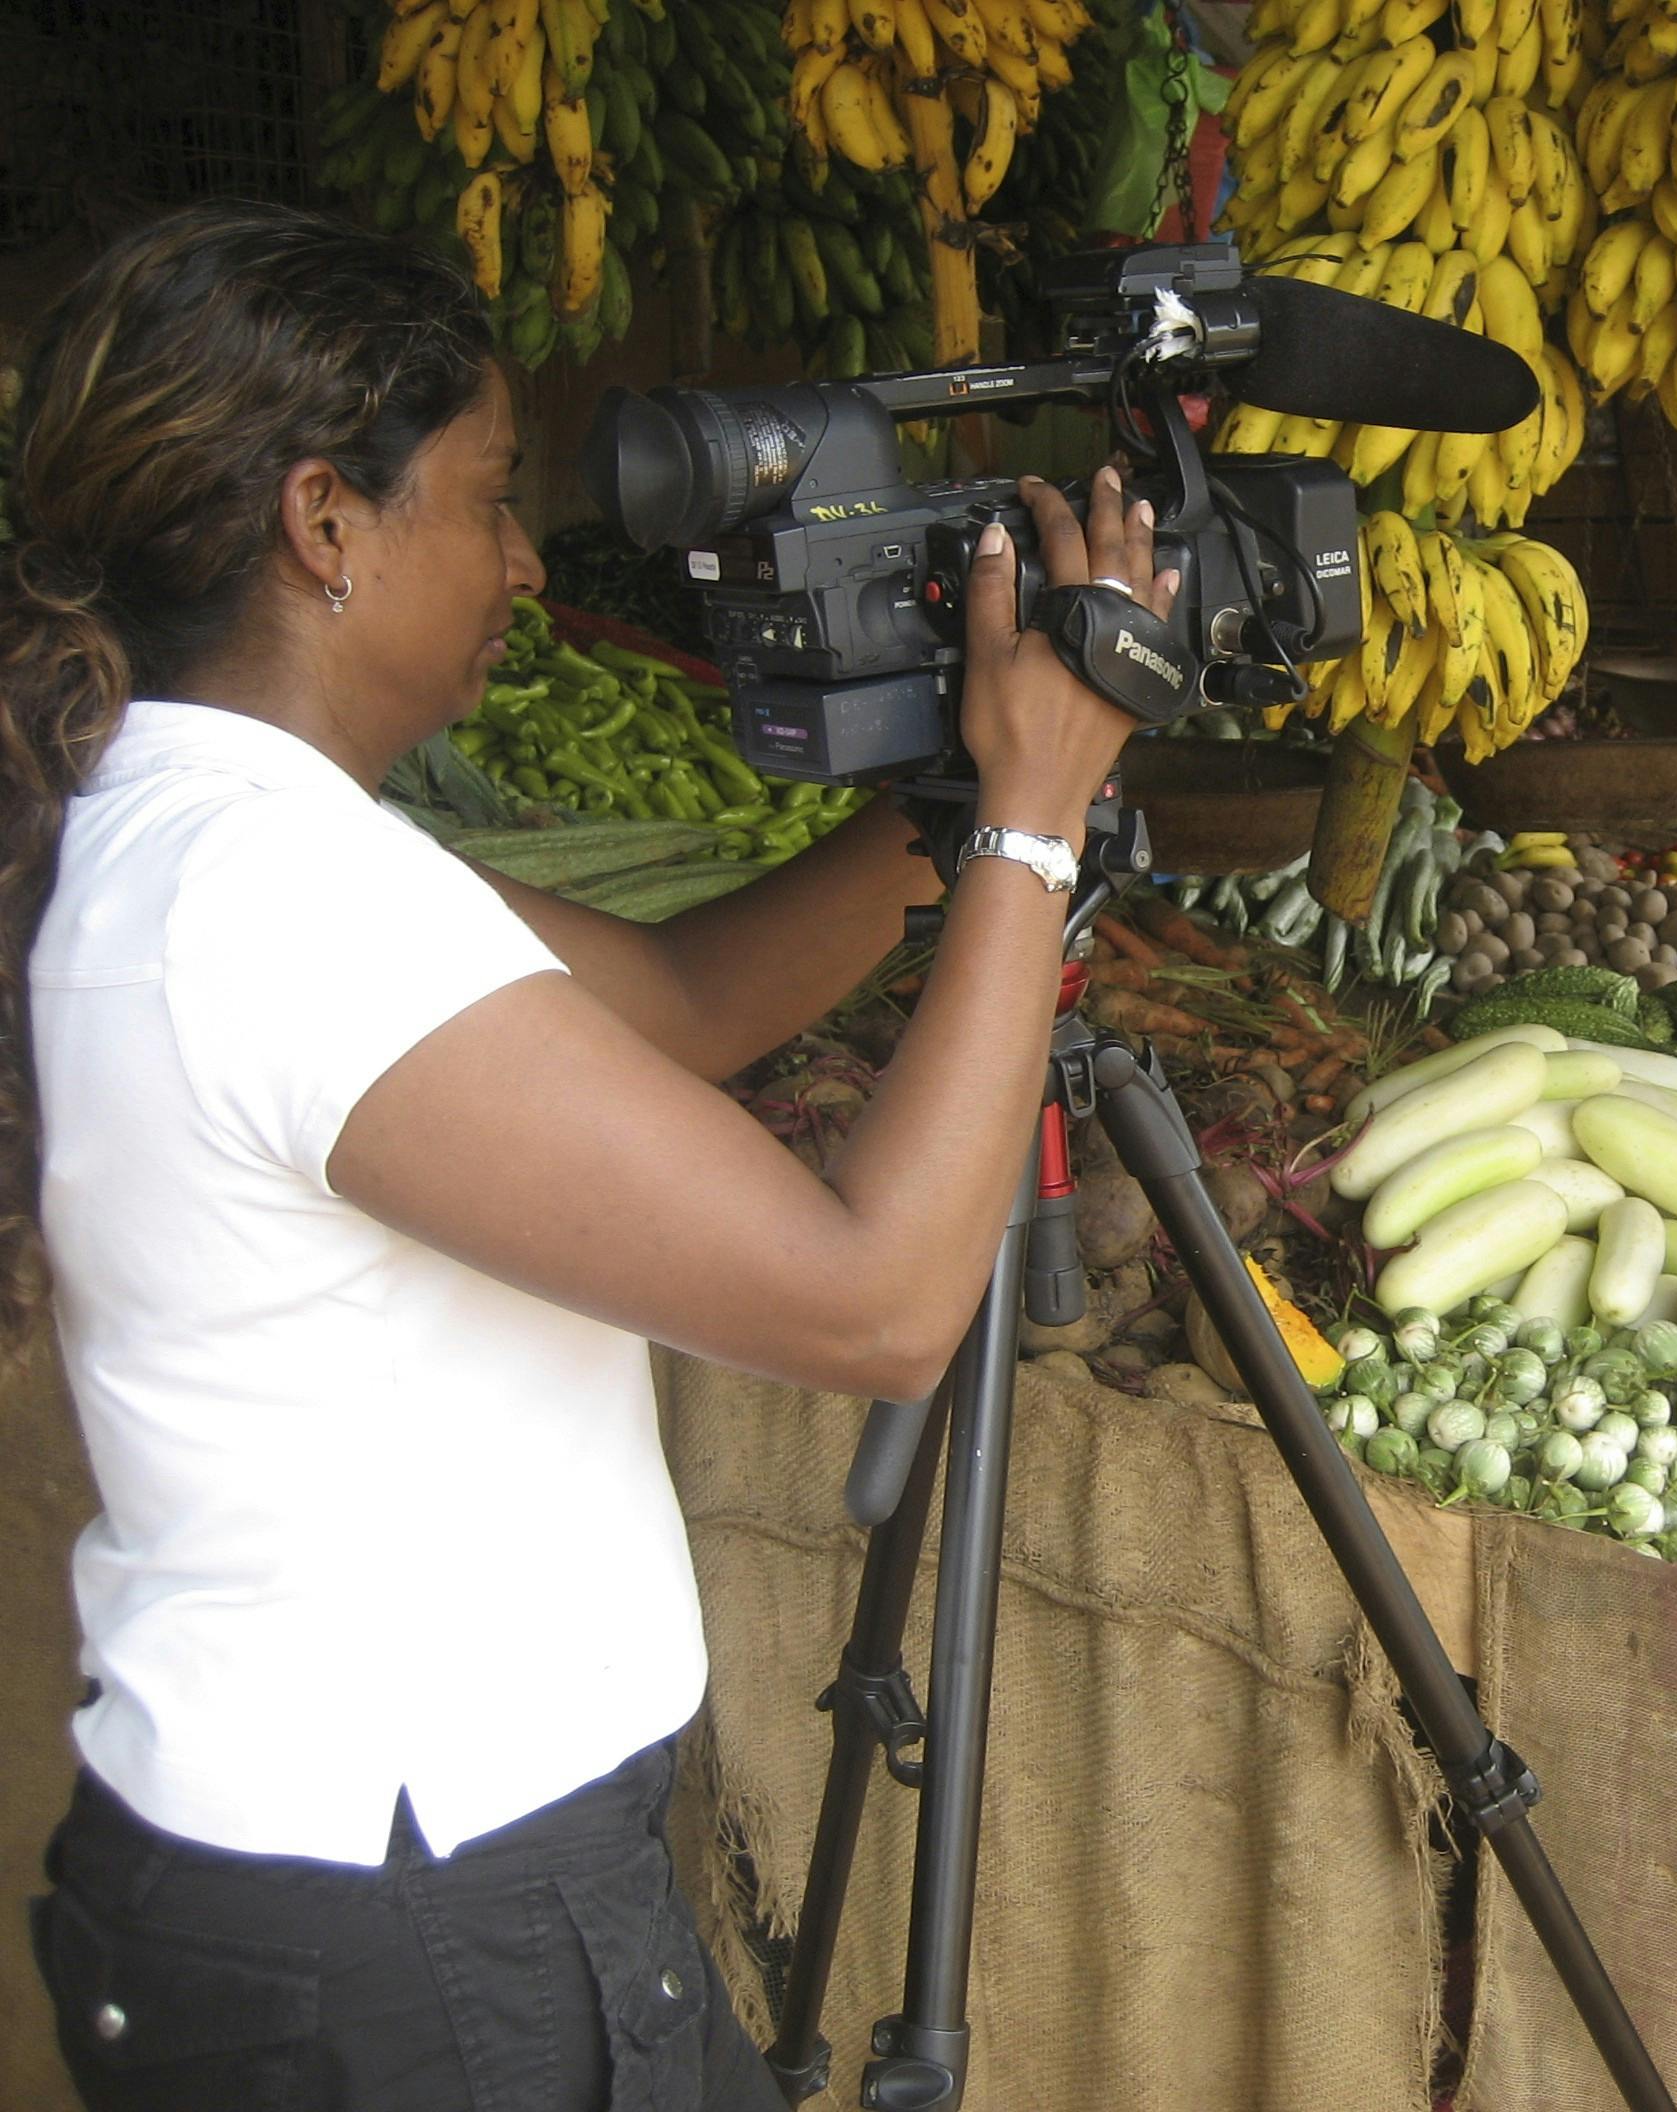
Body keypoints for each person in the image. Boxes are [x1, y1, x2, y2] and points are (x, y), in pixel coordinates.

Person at [3, 201, 1162, 2110]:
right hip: (410, 1908)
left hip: (342, 1880)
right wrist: (1035, 833)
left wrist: (969, 796)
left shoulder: (210, 838)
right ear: (324, 526)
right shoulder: (278, 901)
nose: (527, 563)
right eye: (482, 498)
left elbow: (694, 999)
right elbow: (871, 1302)